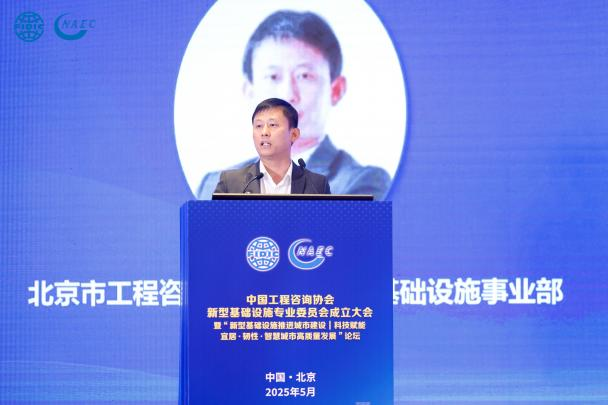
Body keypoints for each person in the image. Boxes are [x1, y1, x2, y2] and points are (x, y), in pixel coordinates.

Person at [197, 10, 390, 200]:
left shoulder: (363, 184)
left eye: (304, 76)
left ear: (336, 90)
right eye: (273, 77)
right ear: (250, 91)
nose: (288, 95)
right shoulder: (214, 187)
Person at [214, 98, 330, 195]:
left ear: (294, 134)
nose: (264, 132)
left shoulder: (317, 184)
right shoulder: (231, 182)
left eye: (273, 125)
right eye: (259, 126)